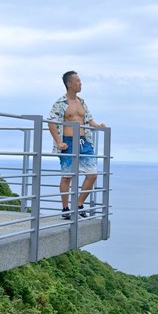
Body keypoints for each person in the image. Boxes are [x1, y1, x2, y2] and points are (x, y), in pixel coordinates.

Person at [48, 71, 106, 219]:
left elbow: (89, 119)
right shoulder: (60, 103)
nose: (81, 83)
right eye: (78, 81)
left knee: (92, 175)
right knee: (67, 177)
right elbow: (51, 123)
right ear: (69, 84)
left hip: (84, 141)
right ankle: (65, 208)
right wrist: (59, 142)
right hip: (68, 142)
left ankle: (79, 205)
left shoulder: (82, 102)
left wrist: (98, 126)